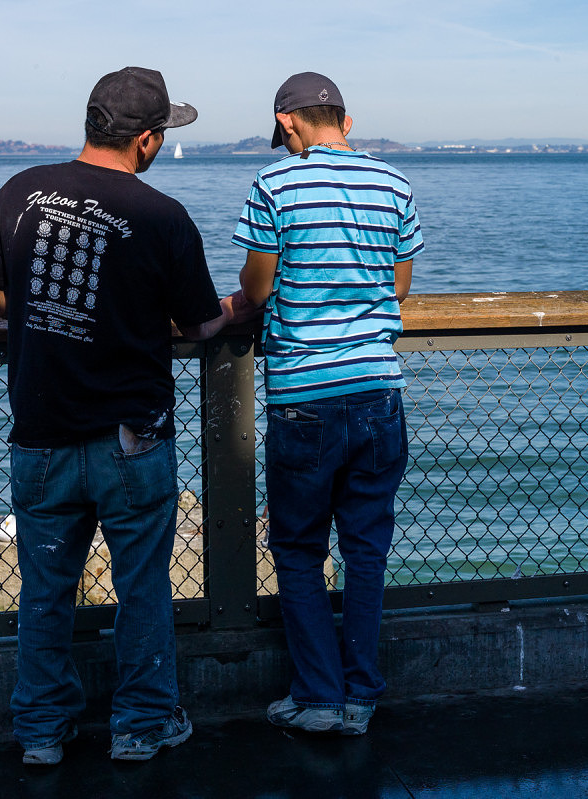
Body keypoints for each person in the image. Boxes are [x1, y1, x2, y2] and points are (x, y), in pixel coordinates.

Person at [0, 66, 252, 764]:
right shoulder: (163, 217)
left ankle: (39, 732)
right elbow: (197, 326)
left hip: (39, 435)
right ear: (148, 140)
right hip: (133, 436)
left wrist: (49, 312)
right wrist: (241, 308)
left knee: (45, 590)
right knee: (143, 585)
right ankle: (142, 724)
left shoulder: (19, 192)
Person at [232, 72, 423, 735]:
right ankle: (362, 694)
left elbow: (256, 288)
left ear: (287, 122)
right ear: (345, 117)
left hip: (304, 396)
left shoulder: (274, 185)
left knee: (297, 547)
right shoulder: (394, 185)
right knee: (366, 550)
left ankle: (318, 695)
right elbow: (397, 285)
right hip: (378, 390)